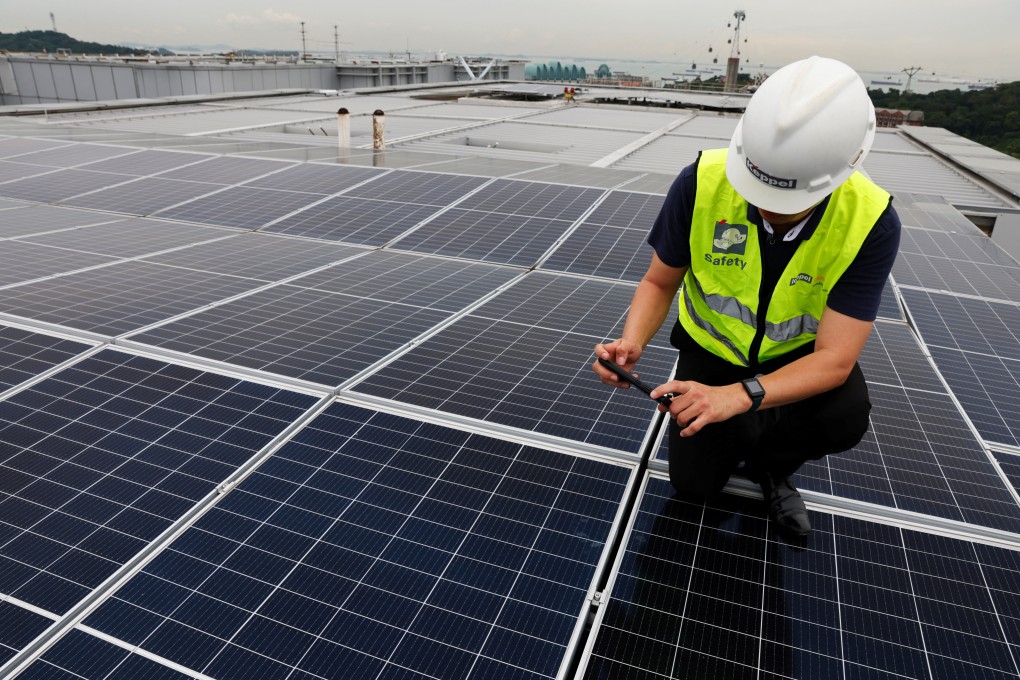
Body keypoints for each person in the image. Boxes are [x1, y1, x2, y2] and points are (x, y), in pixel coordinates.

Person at [593, 56, 901, 537]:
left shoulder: (870, 222)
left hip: (794, 362)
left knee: (843, 416)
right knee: (694, 486)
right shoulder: (701, 182)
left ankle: (772, 467)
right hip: (711, 352)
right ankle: (750, 424)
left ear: (843, 170)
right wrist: (632, 341)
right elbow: (658, 281)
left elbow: (836, 360)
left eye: (786, 199)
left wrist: (741, 397)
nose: (765, 206)